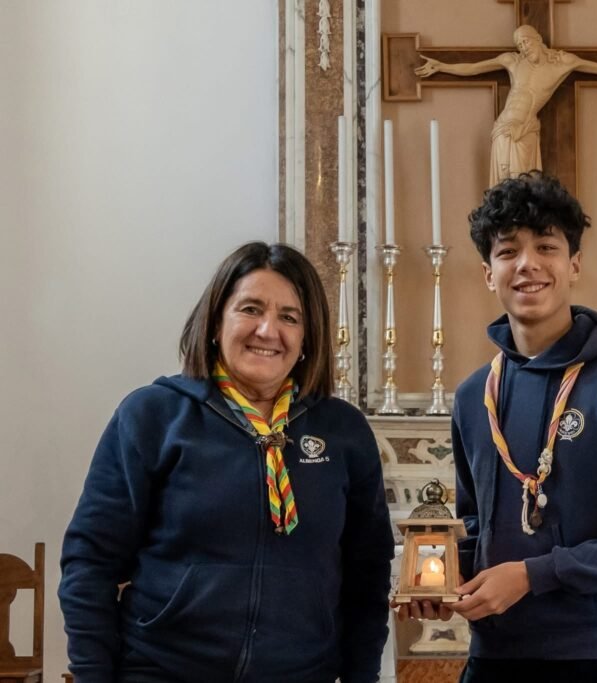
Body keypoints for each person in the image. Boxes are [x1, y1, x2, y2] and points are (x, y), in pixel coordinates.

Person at [58, 242, 394, 683]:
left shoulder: (344, 431)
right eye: (250, 309)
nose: (268, 330)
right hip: (161, 671)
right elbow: (90, 562)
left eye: (290, 317)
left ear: (307, 338)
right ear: (216, 322)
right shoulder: (153, 416)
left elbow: (368, 576)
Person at [408, 171, 597, 683]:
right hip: (494, 658)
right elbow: (475, 528)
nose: (527, 264)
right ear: (488, 273)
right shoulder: (474, 397)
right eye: (507, 251)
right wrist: (440, 580)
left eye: (546, 247)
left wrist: (534, 575)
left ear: (574, 263)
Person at [415, 25, 597, 185]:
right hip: (503, 127)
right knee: (503, 186)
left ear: (538, 39)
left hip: (525, 129)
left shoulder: (562, 63)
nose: (523, 47)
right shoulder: (512, 61)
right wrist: (442, 66)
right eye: (519, 44)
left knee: (523, 185)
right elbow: (472, 68)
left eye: (526, 41)